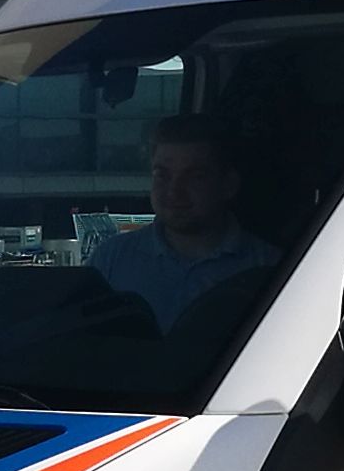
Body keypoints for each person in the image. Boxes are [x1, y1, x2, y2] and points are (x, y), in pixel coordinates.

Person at [88, 116, 277, 327]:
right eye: (162, 175)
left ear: (228, 185)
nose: (174, 191)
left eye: (195, 176)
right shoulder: (109, 261)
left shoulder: (271, 270)